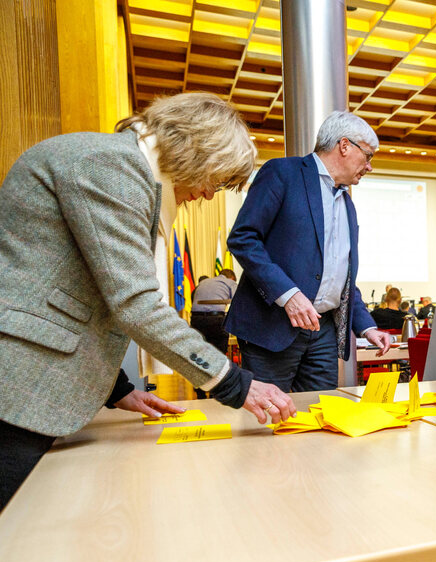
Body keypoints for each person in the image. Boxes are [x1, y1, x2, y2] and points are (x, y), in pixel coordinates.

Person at [0, 92, 296, 511]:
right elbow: (136, 304)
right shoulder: (112, 168)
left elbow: (79, 289)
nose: (209, 195)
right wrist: (235, 384)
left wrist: (117, 390)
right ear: (195, 148)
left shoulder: (119, 166)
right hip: (18, 384)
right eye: (215, 179)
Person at [225, 111, 391, 392]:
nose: (369, 166)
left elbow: (342, 275)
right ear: (345, 145)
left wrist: (367, 328)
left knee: (321, 416)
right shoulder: (282, 173)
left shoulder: (347, 203)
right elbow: (243, 238)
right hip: (272, 327)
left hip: (323, 332)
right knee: (268, 421)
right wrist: (288, 295)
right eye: (369, 156)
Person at [191, 268, 238, 353]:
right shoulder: (230, 283)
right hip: (216, 320)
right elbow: (239, 301)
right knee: (219, 353)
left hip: (196, 319)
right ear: (232, 278)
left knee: (201, 352)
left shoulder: (203, 282)